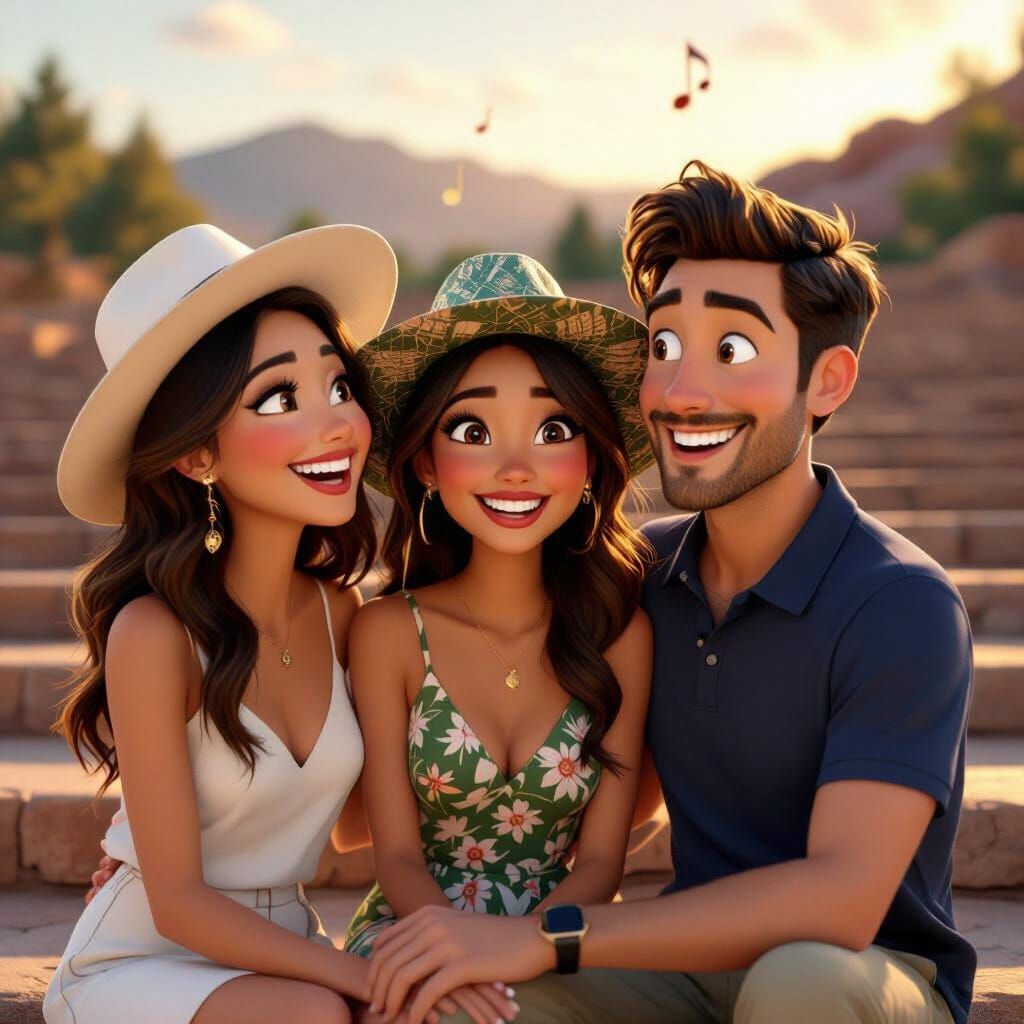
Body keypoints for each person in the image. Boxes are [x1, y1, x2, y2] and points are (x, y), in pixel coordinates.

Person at [359, 164, 975, 1024]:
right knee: (468, 1002)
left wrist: (551, 936)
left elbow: (843, 901)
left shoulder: (902, 604)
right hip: (687, 965)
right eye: (663, 348)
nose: (683, 391)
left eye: (731, 349)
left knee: (799, 984)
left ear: (828, 381)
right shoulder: (640, 580)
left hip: (861, 971)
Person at [43, 224, 516, 1024]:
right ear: (196, 456)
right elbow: (180, 905)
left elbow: (366, 827)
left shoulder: (343, 612)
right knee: (330, 1014)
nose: (336, 422)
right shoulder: (154, 634)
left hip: (285, 953)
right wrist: (363, 978)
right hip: (143, 958)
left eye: (338, 388)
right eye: (278, 399)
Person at [342, 253, 654, 967]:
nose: (515, 466)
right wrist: (460, 954)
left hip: (556, 941)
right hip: (410, 935)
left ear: (589, 466)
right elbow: (395, 857)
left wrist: (519, 952)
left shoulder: (620, 637)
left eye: (552, 431)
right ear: (425, 465)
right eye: (473, 432)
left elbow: (600, 865)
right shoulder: (388, 632)